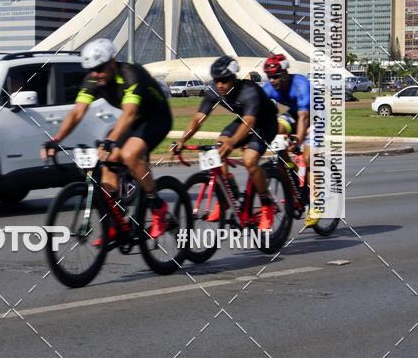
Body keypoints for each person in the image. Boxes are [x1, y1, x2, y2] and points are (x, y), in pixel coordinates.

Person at [41, 38, 173, 240]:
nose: (95, 74)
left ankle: (158, 207)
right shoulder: (93, 80)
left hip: (156, 118)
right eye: (91, 69)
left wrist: (110, 141)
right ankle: (115, 222)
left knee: (130, 155)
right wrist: (56, 139)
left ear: (112, 62)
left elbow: (129, 113)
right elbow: (77, 112)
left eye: (100, 68)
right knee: (108, 161)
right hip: (133, 121)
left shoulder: (130, 74)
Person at [173, 56, 278, 230]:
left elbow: (250, 122)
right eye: (217, 80)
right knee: (217, 149)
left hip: (264, 123)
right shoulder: (214, 91)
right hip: (243, 121)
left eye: (224, 81)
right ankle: (228, 196)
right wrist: (183, 140)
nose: (220, 85)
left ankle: (267, 204)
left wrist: (233, 142)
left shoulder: (248, 91)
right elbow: (199, 118)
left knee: (250, 160)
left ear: (234, 79)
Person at [261, 53, 319, 227]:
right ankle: (290, 168)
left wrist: (298, 140)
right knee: (276, 129)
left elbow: (304, 117)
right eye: (269, 76)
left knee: (308, 159)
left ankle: (317, 204)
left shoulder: (301, 84)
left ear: (285, 73)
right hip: (295, 113)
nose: (272, 80)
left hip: (315, 115)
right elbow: (258, 111)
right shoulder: (269, 87)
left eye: (276, 76)